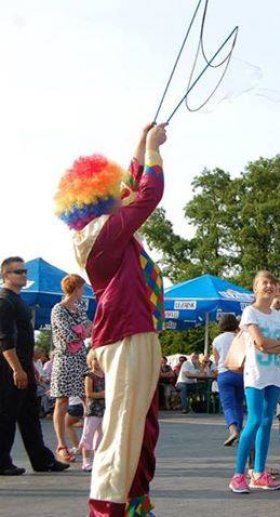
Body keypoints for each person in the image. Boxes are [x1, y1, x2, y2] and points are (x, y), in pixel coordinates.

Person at [54, 122, 168, 514]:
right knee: (123, 425)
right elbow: (148, 193)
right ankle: (107, 508)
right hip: (126, 333)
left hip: (135, 332)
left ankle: (135, 502)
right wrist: (153, 150)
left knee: (141, 425)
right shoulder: (102, 232)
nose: (123, 194)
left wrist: (140, 144)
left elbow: (132, 188)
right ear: (101, 201)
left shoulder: (106, 228)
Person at [0, 256, 69, 476]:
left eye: (24, 271)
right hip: (9, 368)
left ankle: (42, 460)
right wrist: (17, 369)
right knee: (7, 415)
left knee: (29, 414)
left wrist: (31, 369)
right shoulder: (4, 300)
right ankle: (2, 461)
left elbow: (24, 341)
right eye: (18, 272)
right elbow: (5, 340)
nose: (23, 274)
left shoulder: (18, 301)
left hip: (23, 365)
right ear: (5, 275)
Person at [229, 271, 280, 494]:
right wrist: (274, 344)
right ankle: (238, 475)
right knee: (255, 420)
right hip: (255, 374)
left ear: (276, 290)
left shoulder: (278, 316)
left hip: (274, 374)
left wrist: (270, 345)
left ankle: (259, 473)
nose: (268, 286)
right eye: (263, 283)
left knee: (267, 421)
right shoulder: (250, 312)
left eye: (272, 283)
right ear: (255, 288)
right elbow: (260, 341)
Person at [50, 273, 91, 463]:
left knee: (89, 400)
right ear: (75, 288)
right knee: (62, 402)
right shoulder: (58, 309)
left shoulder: (80, 308)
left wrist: (82, 331)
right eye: (82, 288)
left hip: (81, 359)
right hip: (64, 360)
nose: (83, 292)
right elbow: (68, 335)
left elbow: (88, 328)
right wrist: (83, 331)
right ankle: (61, 445)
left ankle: (89, 444)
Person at [211, 314, 243, 446]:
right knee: (239, 405)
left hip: (224, 374)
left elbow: (217, 360)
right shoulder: (239, 338)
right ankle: (240, 434)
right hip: (240, 373)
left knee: (228, 405)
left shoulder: (217, 340)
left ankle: (233, 430)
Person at [80, 349, 105, 472]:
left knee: (101, 435)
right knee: (88, 435)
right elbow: (88, 394)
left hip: (104, 410)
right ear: (90, 360)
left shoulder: (107, 375)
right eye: (95, 359)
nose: (97, 362)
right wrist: (103, 394)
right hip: (93, 410)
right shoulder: (89, 376)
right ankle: (86, 461)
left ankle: (98, 460)